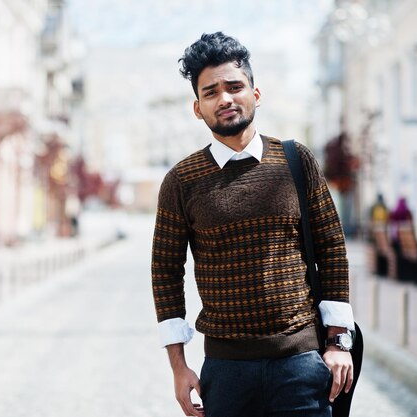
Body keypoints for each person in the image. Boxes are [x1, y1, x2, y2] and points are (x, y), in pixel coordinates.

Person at [151, 32, 355, 417]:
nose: (224, 99)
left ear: (255, 94)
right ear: (198, 108)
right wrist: (178, 367)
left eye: (234, 86)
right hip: (226, 373)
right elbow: (165, 273)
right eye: (211, 93)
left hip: (301, 366)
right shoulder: (182, 180)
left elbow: (332, 249)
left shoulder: (296, 160)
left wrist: (338, 344)